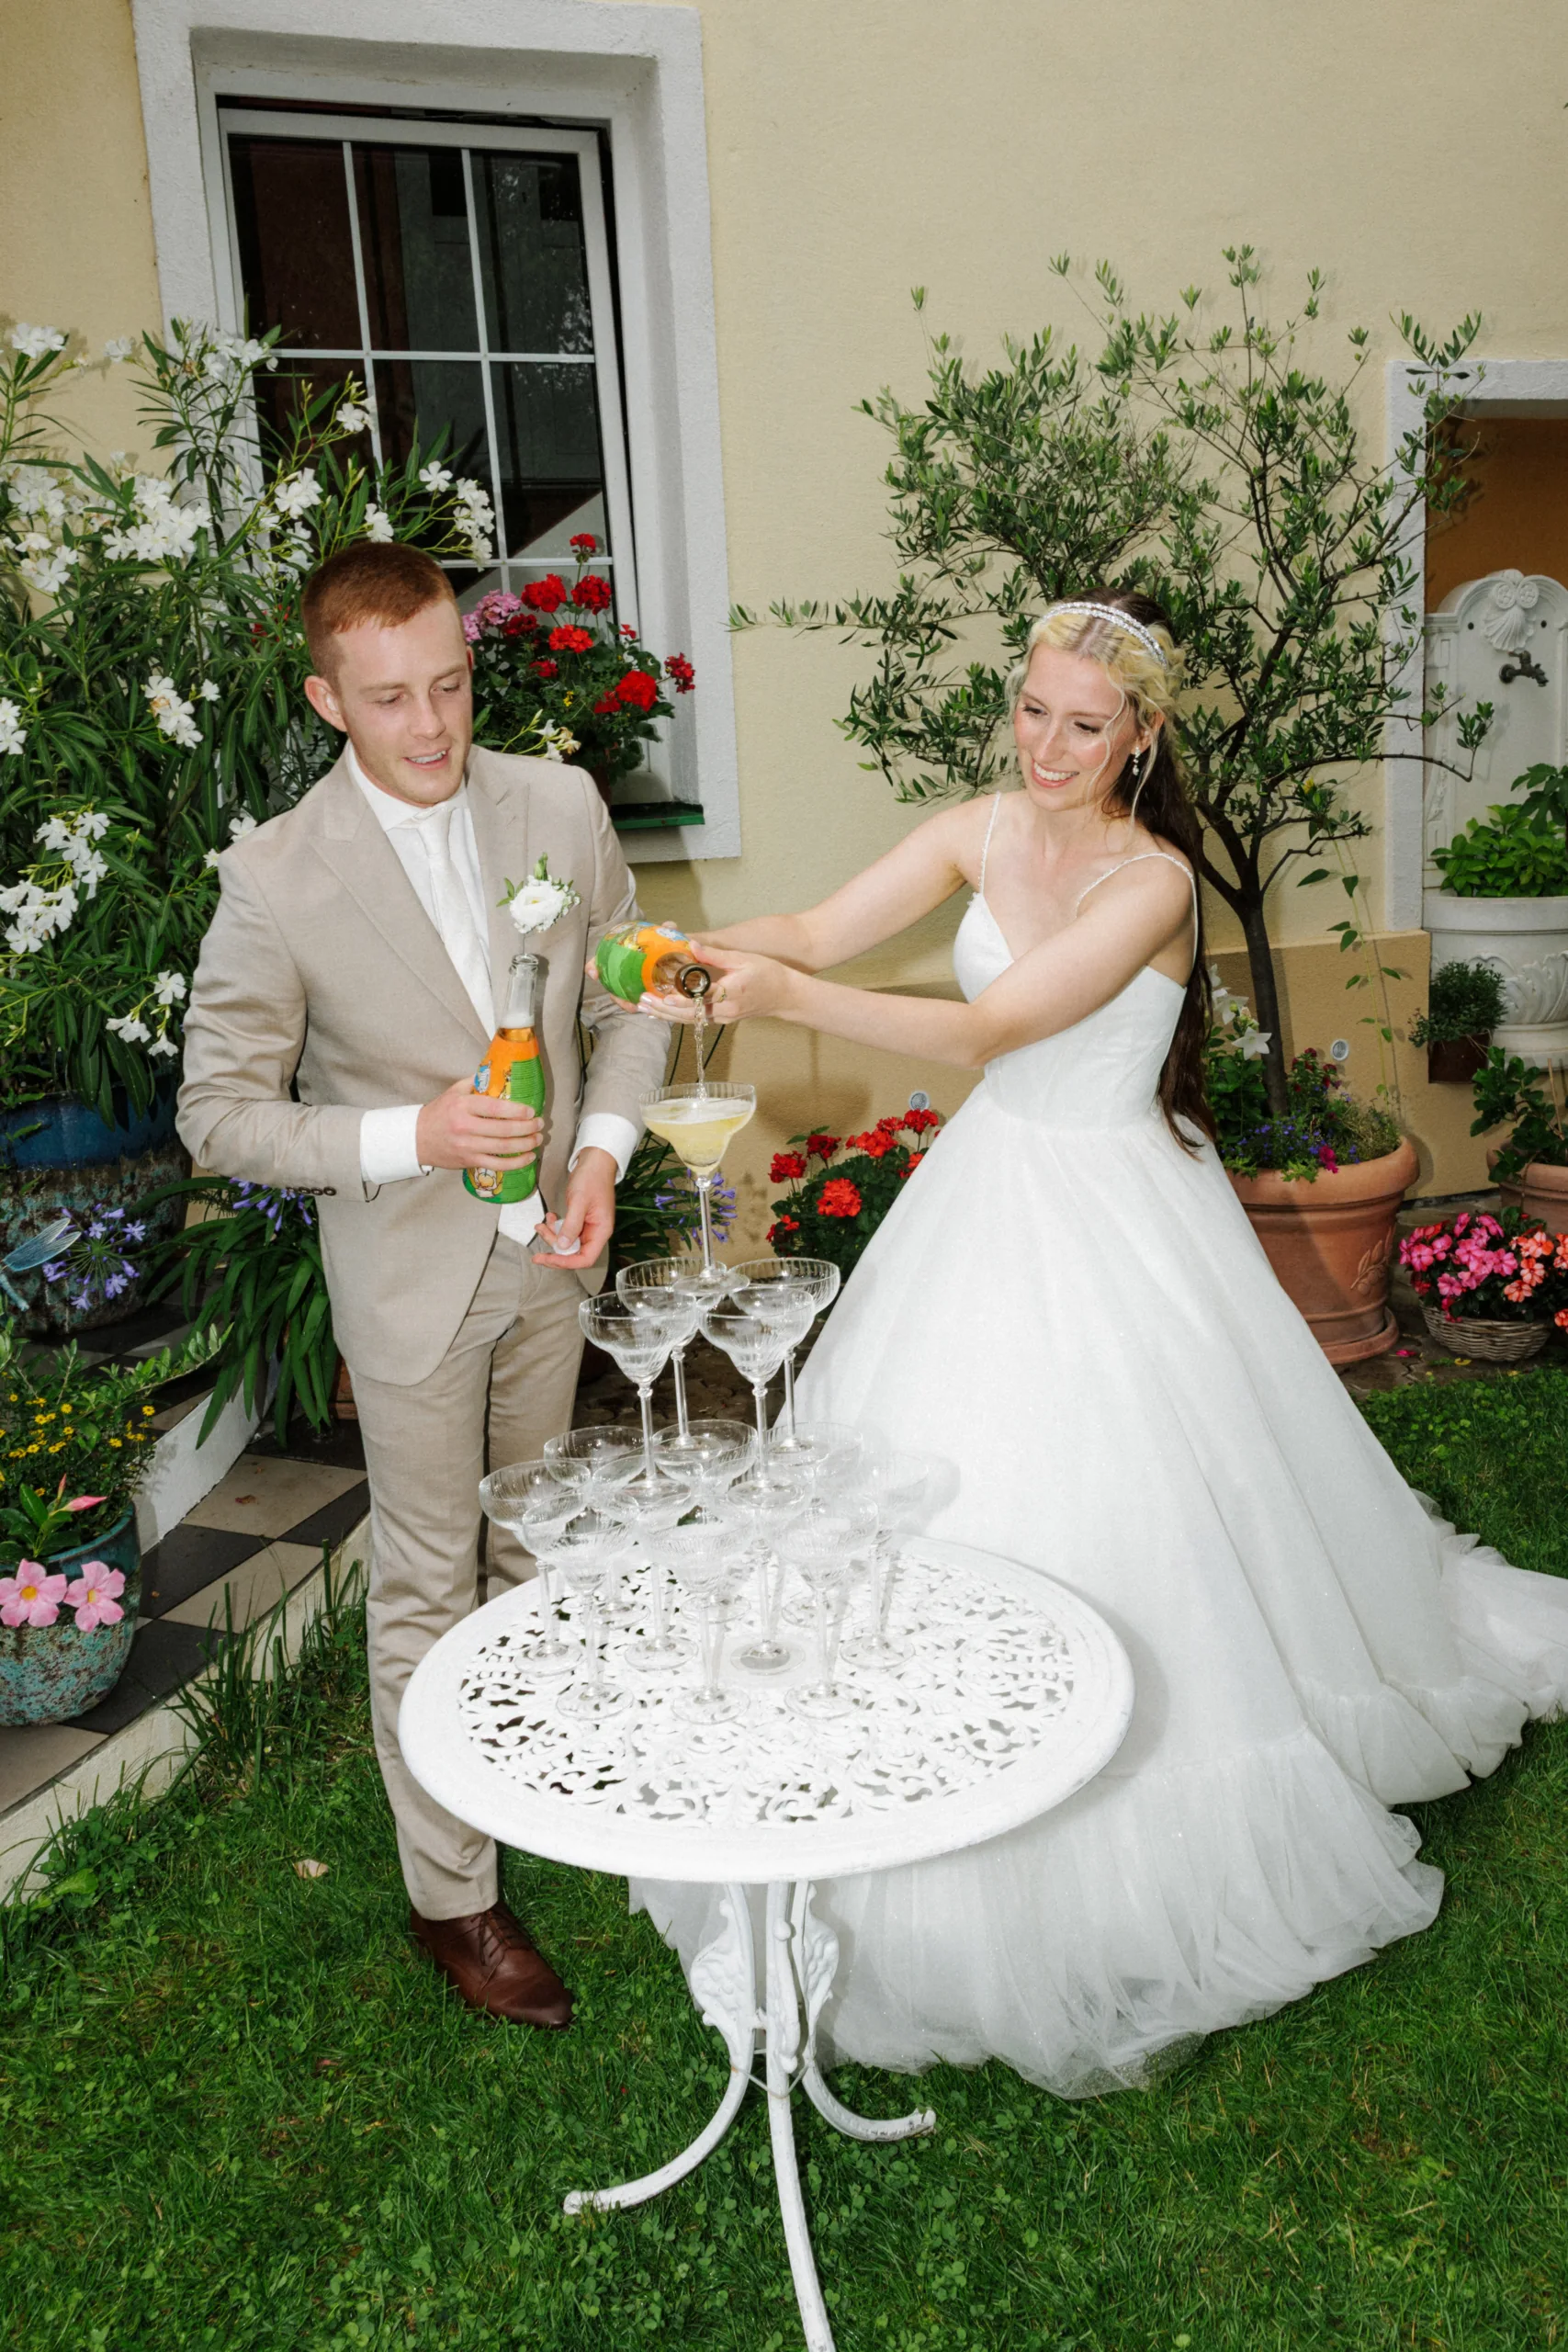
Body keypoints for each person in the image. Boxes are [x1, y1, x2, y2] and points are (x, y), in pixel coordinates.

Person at [633, 591, 1568, 2096]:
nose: (1048, 747)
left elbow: (985, 1031)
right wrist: (681, 949)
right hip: (988, 1191)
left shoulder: (1153, 884)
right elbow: (806, 929)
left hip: (1107, 1207)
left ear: (1140, 735)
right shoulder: (978, 827)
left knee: (1135, 1498)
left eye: (1084, 724)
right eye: (1032, 711)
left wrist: (785, 997)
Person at [178, 542, 670, 2030]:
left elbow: (629, 993)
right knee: (424, 1580)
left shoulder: (557, 806)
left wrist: (601, 1152)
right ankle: (454, 1899)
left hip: (555, 1258)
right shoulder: (274, 877)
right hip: (408, 1286)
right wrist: (415, 1136)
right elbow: (218, 1116)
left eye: (450, 685)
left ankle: (528, 1780)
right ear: (328, 699)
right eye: (390, 698)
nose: (433, 725)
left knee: (535, 1544)